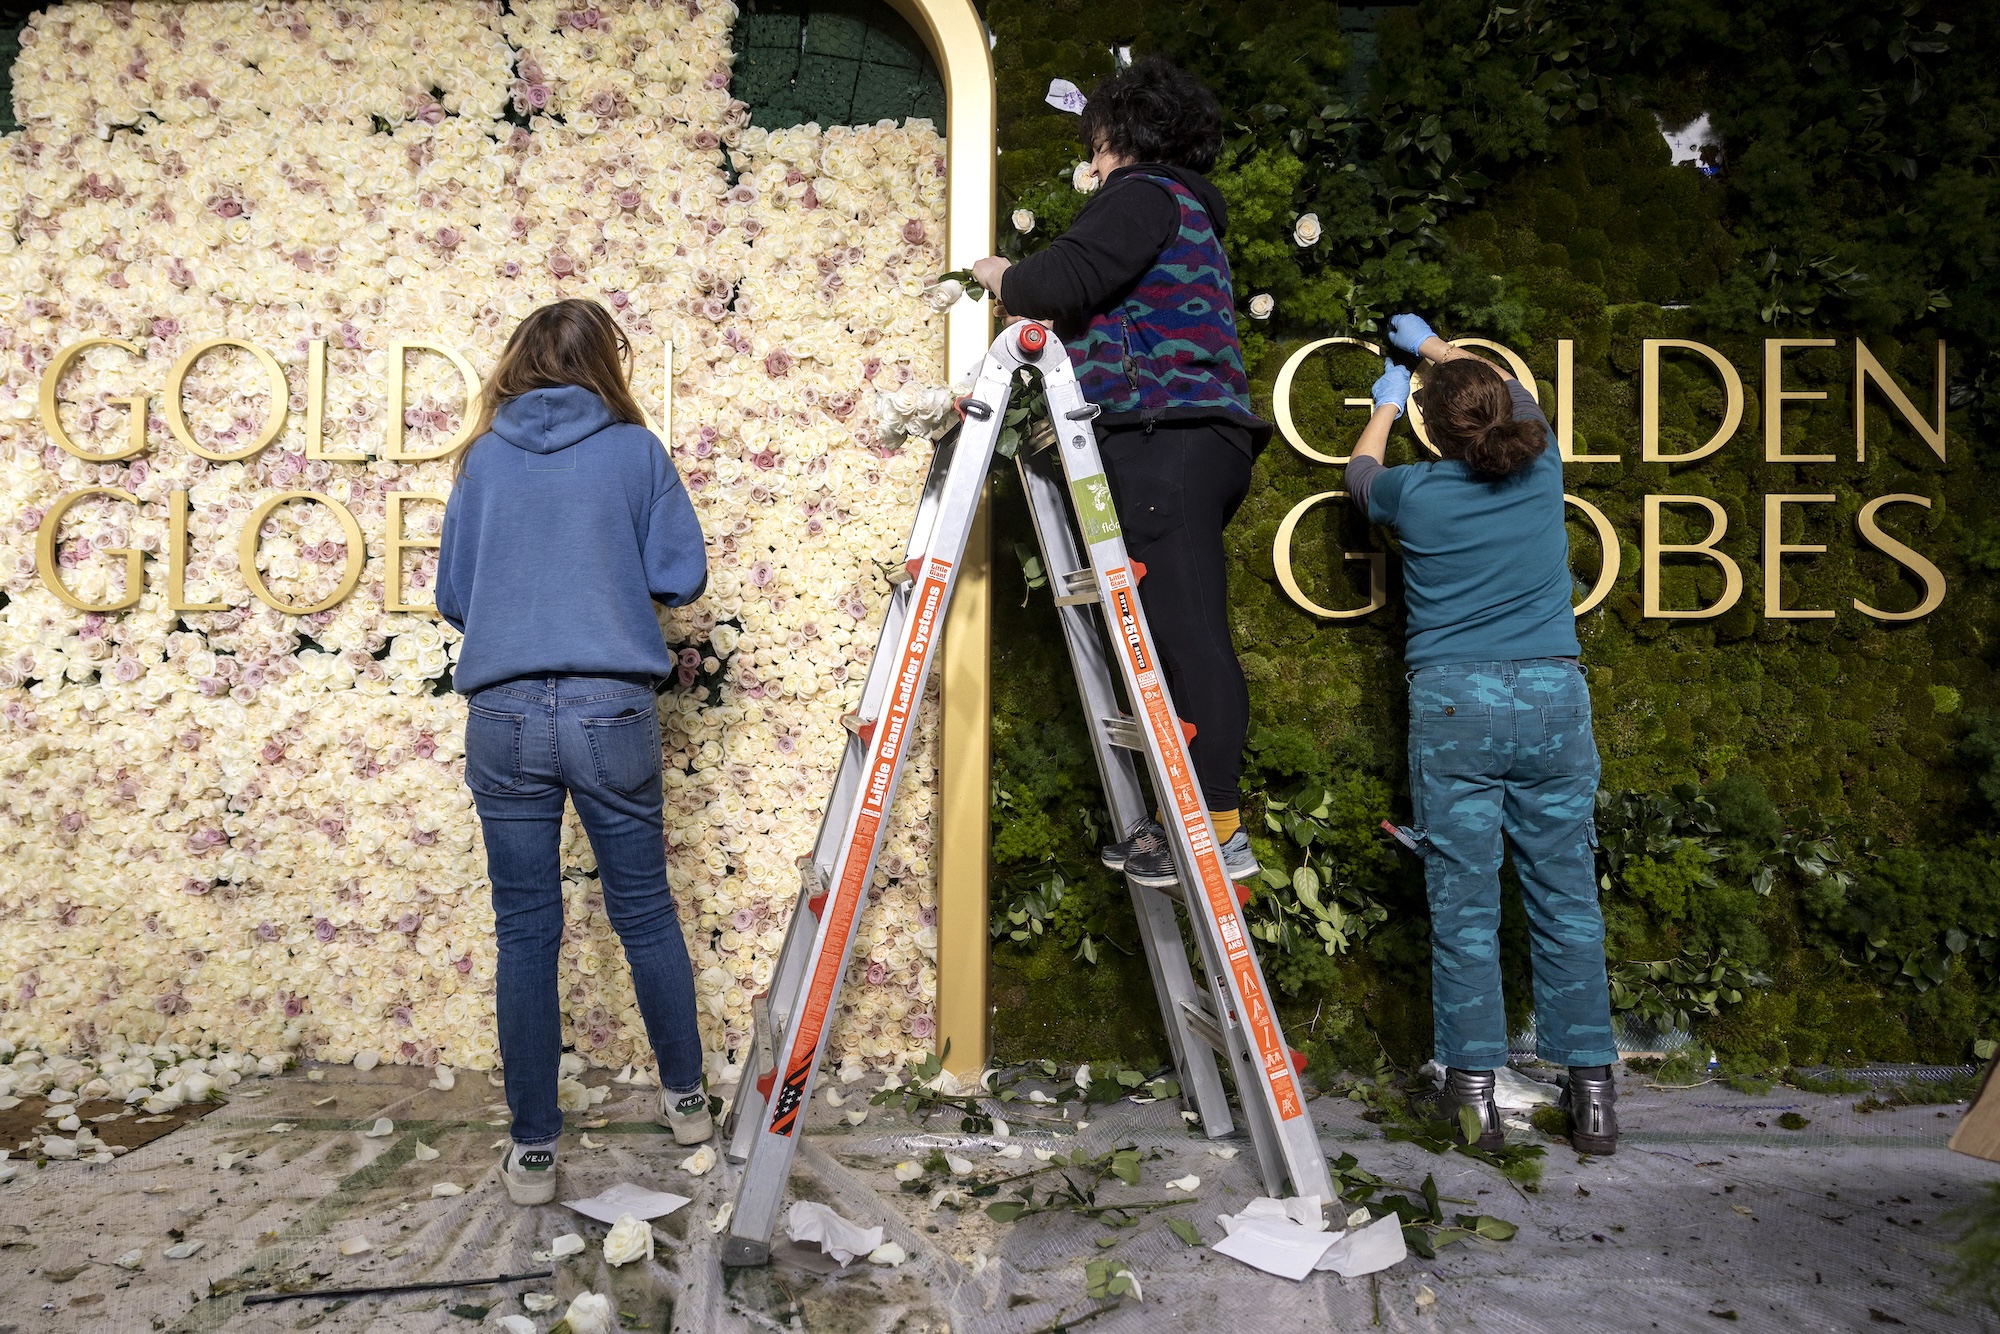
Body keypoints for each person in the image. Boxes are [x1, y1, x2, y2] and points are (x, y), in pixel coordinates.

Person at [436, 298, 714, 1205]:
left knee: (525, 930)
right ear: (607, 362)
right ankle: (687, 1105)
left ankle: (534, 1153)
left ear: (517, 360)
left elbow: (455, 595)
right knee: (644, 910)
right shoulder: (636, 452)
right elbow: (680, 575)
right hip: (608, 707)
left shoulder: (481, 460)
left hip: (505, 709)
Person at [970, 56, 1270, 888]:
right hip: (1181, 435)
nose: (1091, 162)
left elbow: (1052, 281)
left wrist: (1001, 276)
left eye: (1096, 142)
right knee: (1172, 631)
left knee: (1186, 632)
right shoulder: (1180, 210)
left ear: (1120, 133)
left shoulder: (1143, 196)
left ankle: (1214, 829)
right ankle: (1190, 817)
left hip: (1164, 433)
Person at [1346, 314, 1619, 1156]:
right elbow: (1511, 392)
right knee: (1567, 896)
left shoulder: (1415, 493)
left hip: (1455, 704)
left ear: (1434, 431)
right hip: (1550, 698)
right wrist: (1432, 348)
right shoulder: (1542, 468)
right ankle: (1595, 1097)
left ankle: (1473, 1100)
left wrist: (1389, 404)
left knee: (1463, 902)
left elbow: (1357, 477)